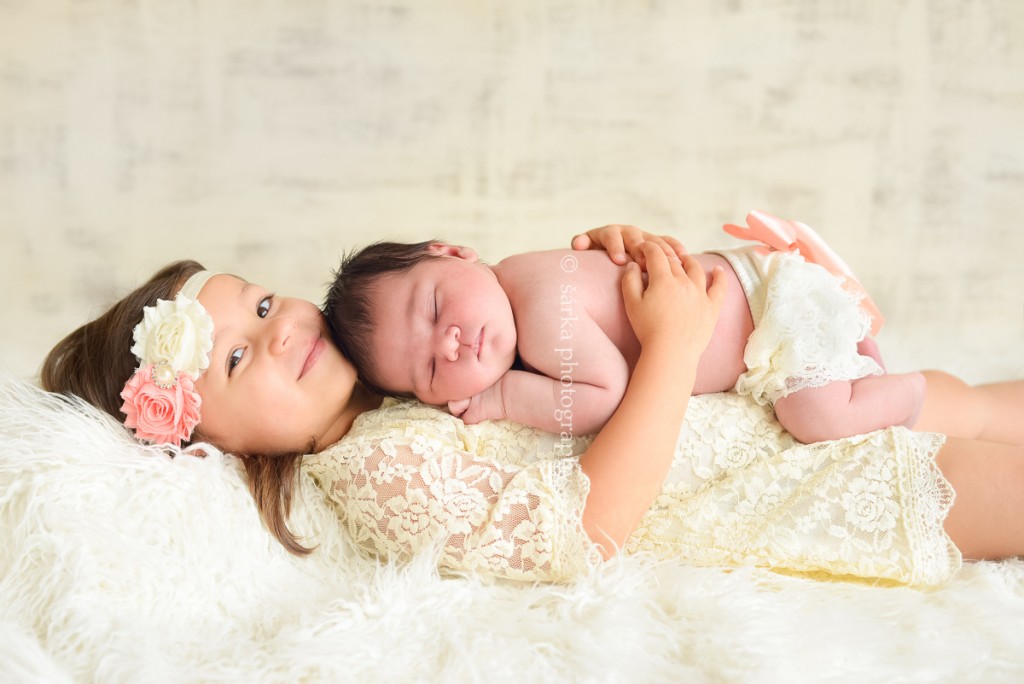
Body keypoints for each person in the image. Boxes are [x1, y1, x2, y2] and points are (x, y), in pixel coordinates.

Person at [39, 225, 1024, 588]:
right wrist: (674, 344)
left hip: (774, 396)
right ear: (208, 444)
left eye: (260, 303)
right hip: (779, 482)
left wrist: (609, 269)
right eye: (239, 357)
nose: (283, 330)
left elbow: (515, 322)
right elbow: (579, 533)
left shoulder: (387, 362)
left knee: (975, 399)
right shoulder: (370, 471)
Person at [323, 210, 923, 444]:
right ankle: (864, 367)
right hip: (757, 297)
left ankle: (911, 392)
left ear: (452, 253)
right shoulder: (519, 284)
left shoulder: (535, 308)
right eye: (430, 368)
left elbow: (606, 399)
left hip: (775, 310)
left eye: (432, 310)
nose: (452, 345)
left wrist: (503, 395)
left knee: (816, 417)